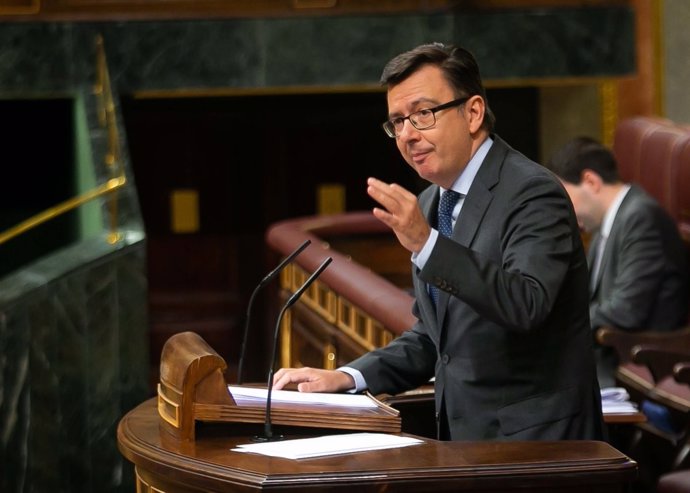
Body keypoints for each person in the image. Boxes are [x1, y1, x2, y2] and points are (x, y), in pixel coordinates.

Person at [274, 42, 605, 441]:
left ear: (473, 112)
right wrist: (346, 376)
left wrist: (427, 244)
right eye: (397, 121)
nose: (407, 135)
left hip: (540, 449)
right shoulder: (434, 201)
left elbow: (526, 304)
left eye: (423, 114)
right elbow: (436, 337)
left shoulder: (532, 192)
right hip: (466, 444)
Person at [547, 136, 689, 388]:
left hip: (636, 362)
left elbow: (626, 311)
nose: (564, 211)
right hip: (604, 356)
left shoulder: (640, 218)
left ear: (590, 181)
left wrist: (557, 327)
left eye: (564, 198)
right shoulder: (609, 222)